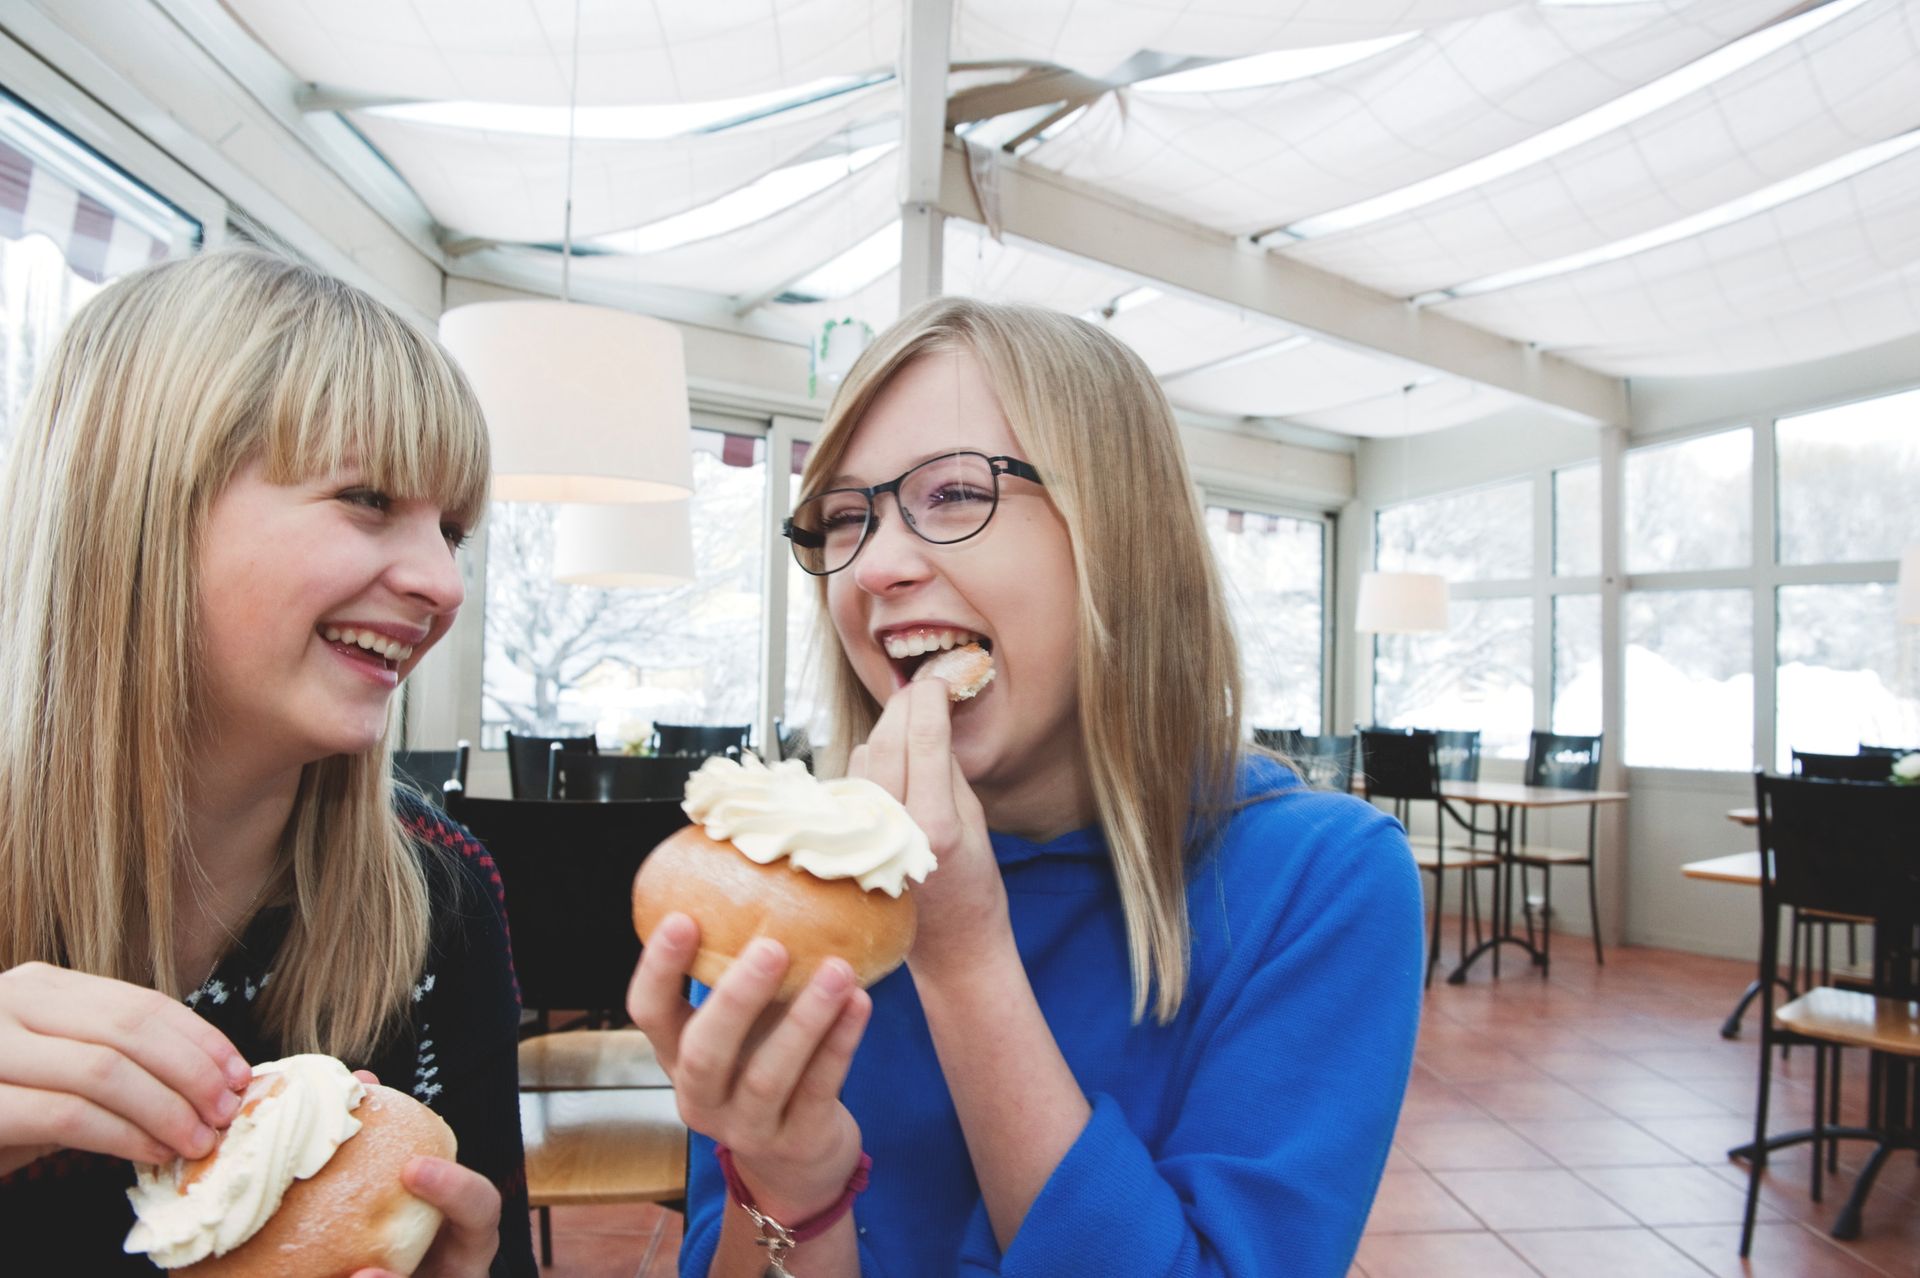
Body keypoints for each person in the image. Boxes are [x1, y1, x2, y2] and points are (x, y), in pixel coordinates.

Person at [628, 297, 1425, 1276]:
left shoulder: (1319, 881)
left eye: (957, 494)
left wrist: (964, 960)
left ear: (1123, 536)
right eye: (844, 516)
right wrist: (791, 1185)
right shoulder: (787, 895)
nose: (873, 565)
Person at [0, 249, 535, 1276]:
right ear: (143, 506)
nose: (442, 583)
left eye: (453, 530)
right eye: (368, 497)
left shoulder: (439, 888)